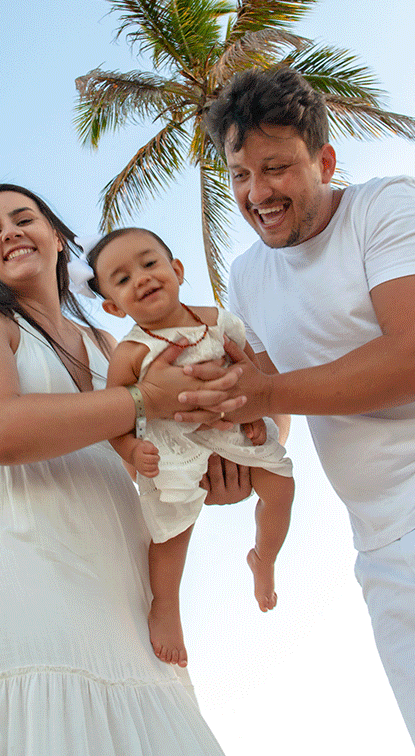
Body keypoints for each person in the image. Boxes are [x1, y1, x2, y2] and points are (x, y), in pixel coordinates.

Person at [178, 67, 415, 756]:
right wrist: (231, 457)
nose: (256, 193)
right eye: (239, 175)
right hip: (381, 549)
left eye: (275, 168)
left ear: (323, 161)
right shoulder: (246, 274)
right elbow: (272, 407)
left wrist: (266, 395)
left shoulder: (387, 206)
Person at [0, 183, 247, 755]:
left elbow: (167, 436)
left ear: (55, 235)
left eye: (23, 219)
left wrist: (216, 475)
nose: (10, 233)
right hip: (16, 563)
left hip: (117, 573)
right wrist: (145, 399)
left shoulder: (109, 342)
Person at [85, 227, 294, 669]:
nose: (140, 279)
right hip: (173, 446)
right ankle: (166, 605)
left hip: (233, 429)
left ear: (177, 270)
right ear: (111, 306)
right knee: (169, 530)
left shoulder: (218, 321)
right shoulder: (129, 353)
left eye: (149, 263)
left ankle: (265, 557)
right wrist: (128, 450)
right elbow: (115, 416)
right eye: (121, 280)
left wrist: (255, 417)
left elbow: (253, 376)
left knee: (282, 487)